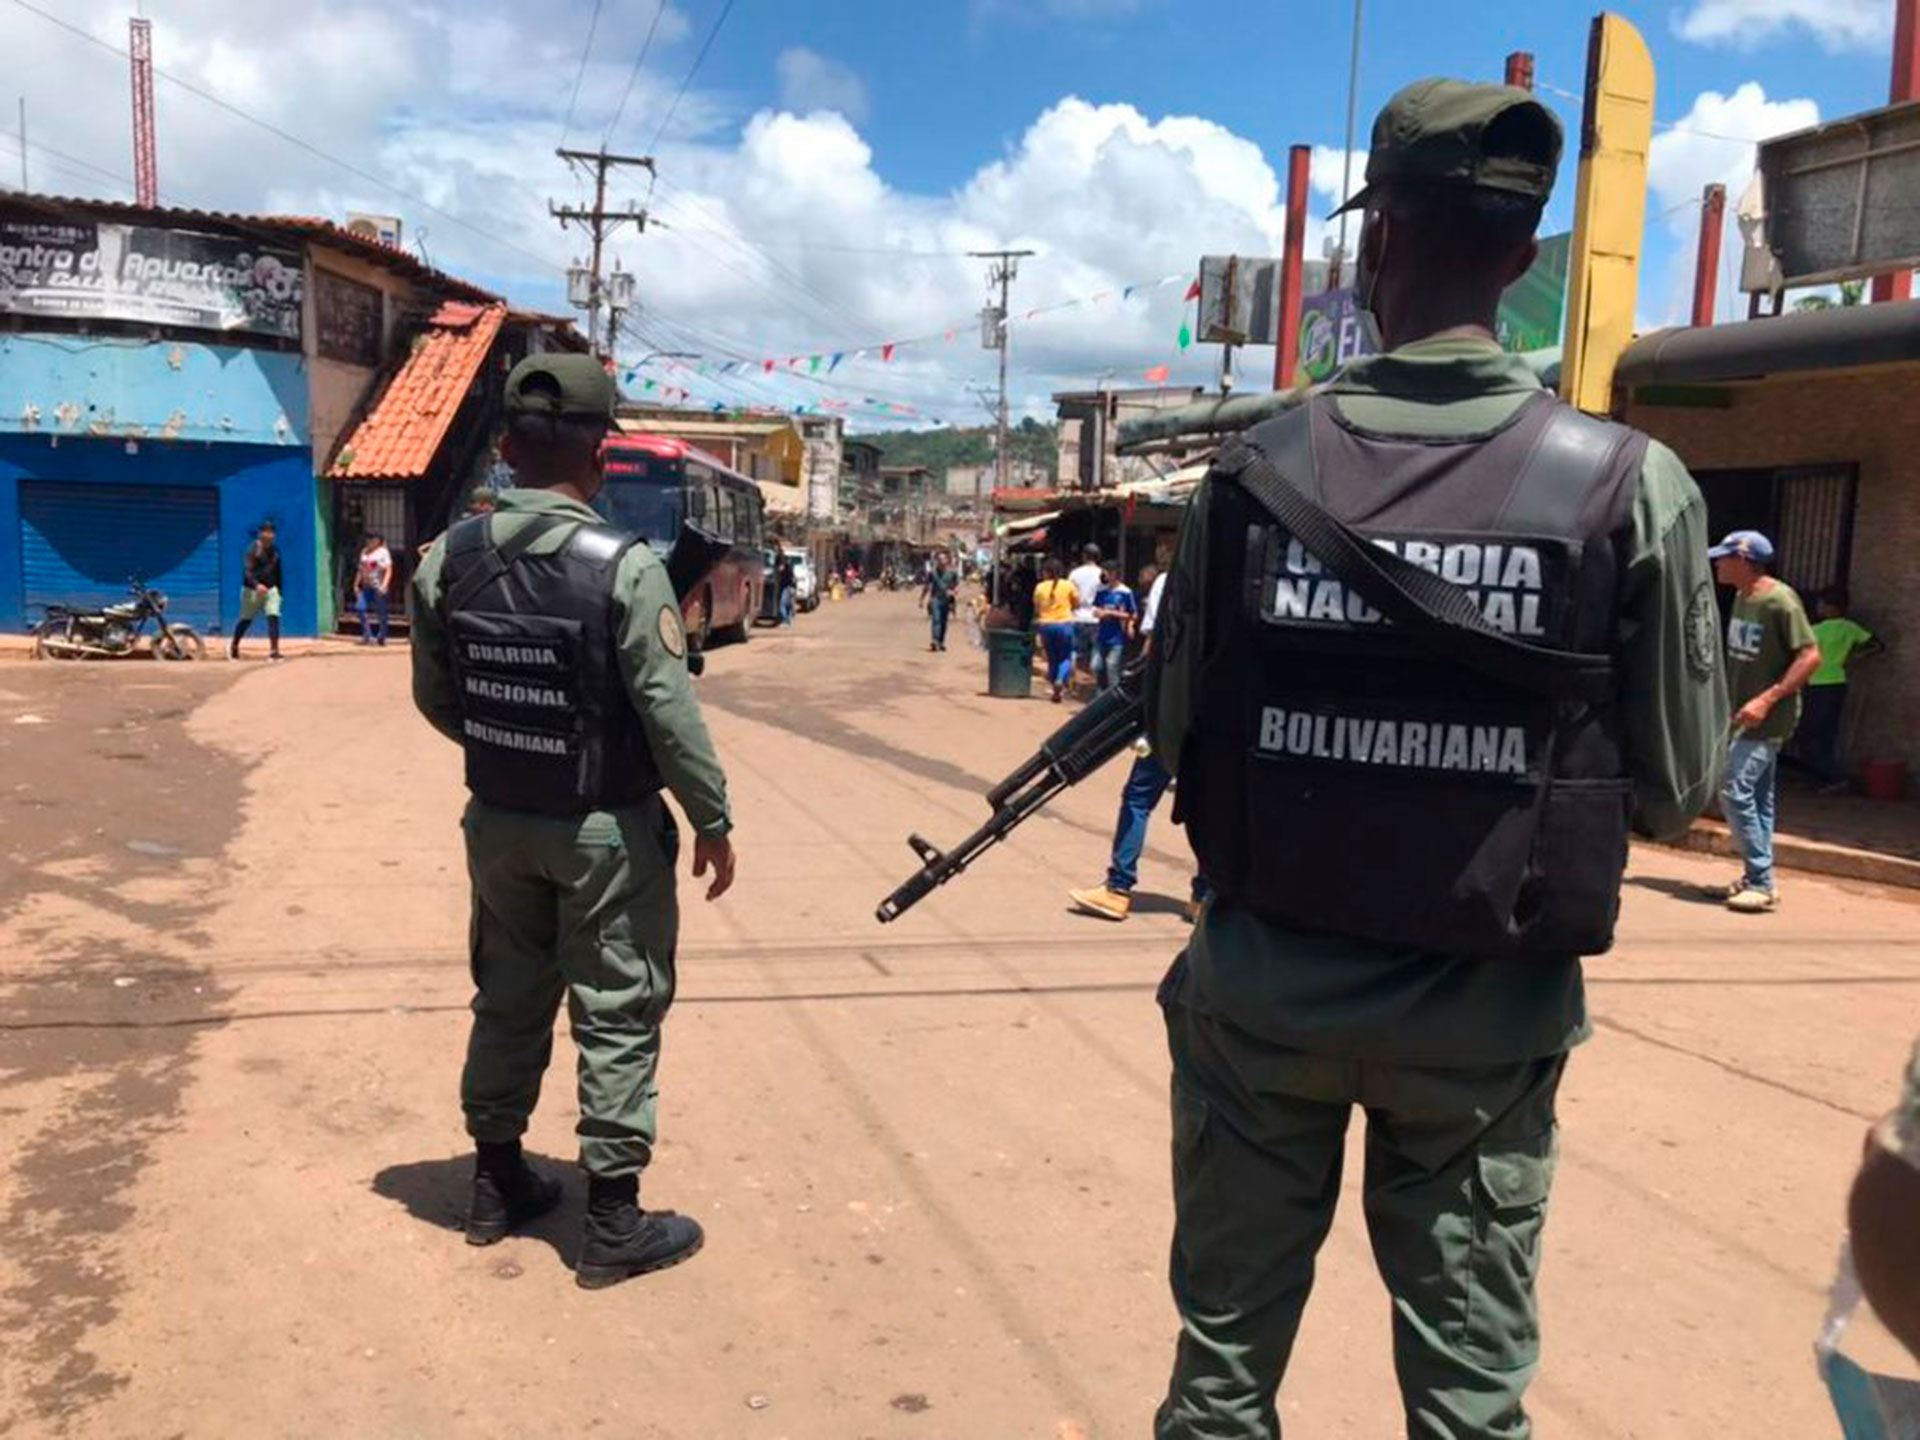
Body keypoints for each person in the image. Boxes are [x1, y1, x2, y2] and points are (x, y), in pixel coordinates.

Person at [1146, 79, 1726, 1438]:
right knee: (1471, 1401)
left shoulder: (1249, 475)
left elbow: (1176, 733)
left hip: (1264, 1006)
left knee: (1222, 1379)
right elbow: (1683, 784)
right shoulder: (1625, 484)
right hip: (1486, 1028)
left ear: (1375, 246)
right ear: (1523, 259)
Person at [410, 353, 736, 1290]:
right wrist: (712, 818)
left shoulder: (445, 559)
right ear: (599, 457)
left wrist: (514, 747)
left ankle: (494, 1182)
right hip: (603, 832)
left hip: (499, 822)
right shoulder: (625, 570)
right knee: (617, 1008)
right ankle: (613, 1221)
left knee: (508, 994)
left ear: (506, 449)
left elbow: (439, 699)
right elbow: (670, 714)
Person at [1067, 561, 1203, 924]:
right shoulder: (1243, 579)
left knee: (1138, 798)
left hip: (1172, 714)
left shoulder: (1172, 580)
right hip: (1220, 718)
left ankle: (1117, 889)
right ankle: (1204, 898)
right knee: (1208, 806)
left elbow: (1155, 644)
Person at [1712, 530, 1820, 914]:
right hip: (1743, 716)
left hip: (1769, 718)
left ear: (1744, 560)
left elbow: (1809, 657)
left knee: (1733, 787)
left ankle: (1760, 880)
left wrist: (1766, 698)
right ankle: (1756, 876)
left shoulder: (1780, 600)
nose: (1718, 564)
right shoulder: (1743, 597)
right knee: (1758, 799)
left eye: (1724, 557)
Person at [1804, 586, 1883, 793]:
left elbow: (1804, 656)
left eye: (1821, 604)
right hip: (1838, 681)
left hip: (1817, 683)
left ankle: (1832, 776)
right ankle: (1826, 777)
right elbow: (1877, 645)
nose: (1819, 607)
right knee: (1827, 733)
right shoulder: (1851, 628)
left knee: (1810, 733)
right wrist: (1854, 657)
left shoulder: (1816, 630)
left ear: (1829, 607)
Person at [229, 520, 284, 662]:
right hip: (252, 591)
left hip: (271, 590)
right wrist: (256, 585)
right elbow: (247, 572)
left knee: (273, 616)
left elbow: (278, 572)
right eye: (266, 532)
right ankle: (234, 646)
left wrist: (279, 590)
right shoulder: (252, 550)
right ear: (260, 534)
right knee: (246, 620)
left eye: (271, 532)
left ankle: (274, 651)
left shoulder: (275, 551)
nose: (269, 535)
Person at [1033, 557, 1080, 703]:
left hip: (1046, 626)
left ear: (1046, 572)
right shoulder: (1068, 585)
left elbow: (1036, 608)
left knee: (1052, 658)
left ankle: (1055, 688)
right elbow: (1076, 604)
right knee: (1065, 657)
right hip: (1064, 624)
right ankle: (1060, 679)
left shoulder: (1039, 587)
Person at [1090, 568, 1137, 691]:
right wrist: (1099, 613)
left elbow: (1131, 614)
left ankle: (1114, 694)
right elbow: (1095, 609)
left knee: (1112, 666)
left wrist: (1111, 613)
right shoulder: (1101, 591)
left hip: (1117, 637)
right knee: (1096, 666)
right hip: (1101, 635)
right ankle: (1101, 691)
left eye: (1108, 572)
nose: (1104, 575)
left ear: (1115, 574)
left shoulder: (1125, 592)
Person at [1068, 543, 1104, 675]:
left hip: (1077, 616)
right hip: (1096, 617)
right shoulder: (1103, 574)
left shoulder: (1075, 573)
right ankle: (1094, 678)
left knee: (1074, 651)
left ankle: (1070, 680)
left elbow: (1069, 594)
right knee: (1096, 649)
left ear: (1084, 556)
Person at [355, 533, 393, 646]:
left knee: (381, 612)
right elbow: (361, 569)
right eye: (369, 538)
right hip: (366, 586)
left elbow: (389, 569)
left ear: (378, 541)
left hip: (378, 586)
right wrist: (356, 584)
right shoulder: (364, 552)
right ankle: (367, 635)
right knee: (360, 608)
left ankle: (382, 636)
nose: (370, 541)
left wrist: (384, 585)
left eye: (373, 538)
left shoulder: (383, 552)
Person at [923, 549, 960, 652]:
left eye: (943, 559)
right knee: (936, 620)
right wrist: (922, 599)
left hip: (946, 601)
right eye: (939, 559)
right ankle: (935, 640)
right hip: (935, 599)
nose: (941, 561)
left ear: (947, 560)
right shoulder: (933, 573)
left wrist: (954, 591)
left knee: (944, 622)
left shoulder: (952, 573)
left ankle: (941, 642)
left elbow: (957, 585)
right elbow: (927, 586)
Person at [776, 552, 797, 628]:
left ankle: (785, 620)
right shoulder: (789, 567)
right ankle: (788, 621)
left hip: (788, 587)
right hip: (790, 588)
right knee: (788, 605)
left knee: (782, 604)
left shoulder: (787, 568)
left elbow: (787, 579)